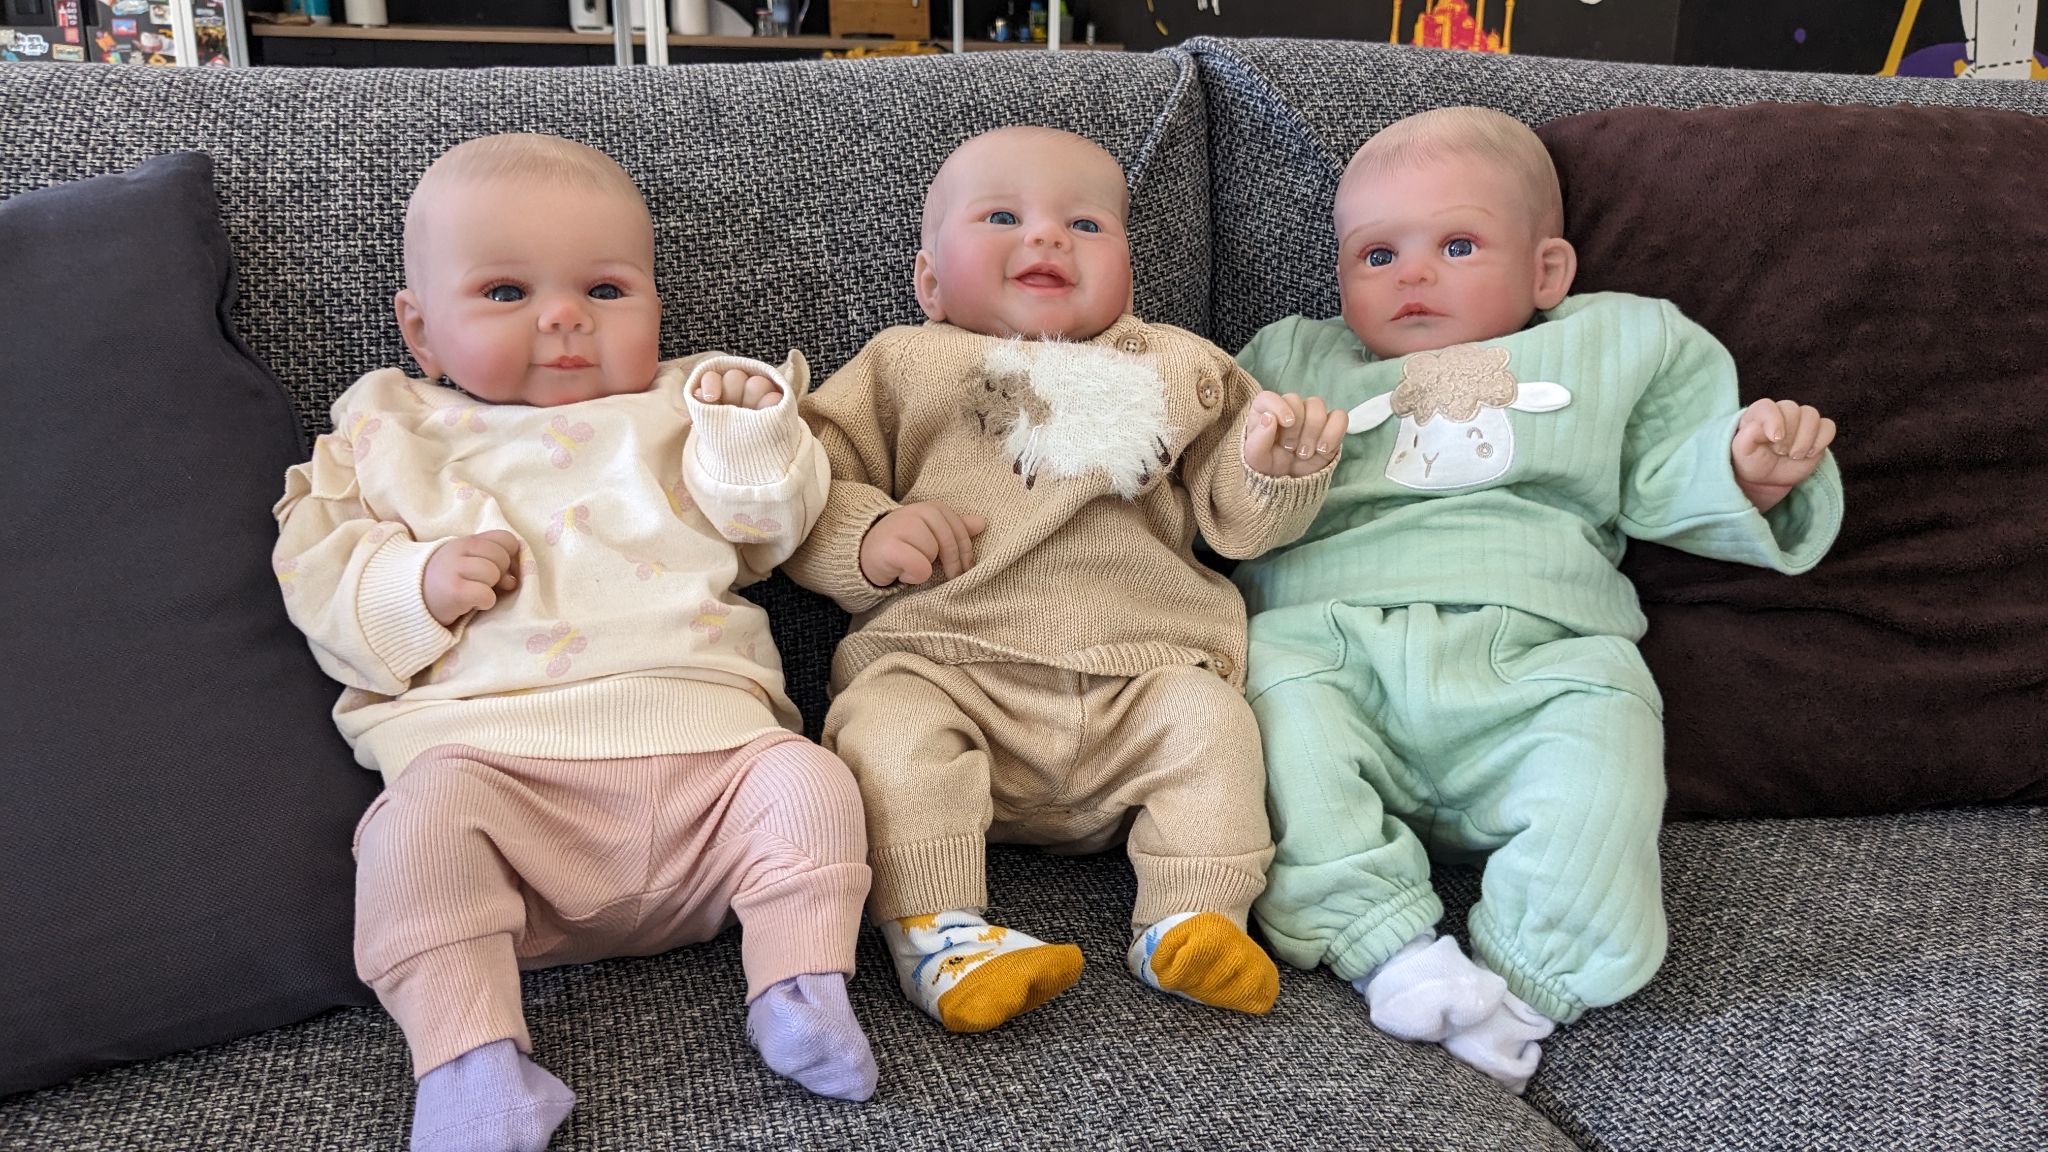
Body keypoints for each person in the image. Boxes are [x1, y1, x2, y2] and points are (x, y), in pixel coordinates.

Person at [272, 133, 875, 1152]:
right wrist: (415, 585)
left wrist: (746, 435)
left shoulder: (689, 405)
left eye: (605, 289)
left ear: (655, 307)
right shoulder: (387, 435)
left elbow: (776, 529)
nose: (564, 318)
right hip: (493, 778)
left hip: (714, 769)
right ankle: (469, 1065)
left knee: (812, 782)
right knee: (410, 839)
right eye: (506, 292)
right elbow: (316, 579)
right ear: (420, 333)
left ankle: (799, 989)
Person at [1233, 106, 1844, 1093]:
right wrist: (1262, 465)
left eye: (1456, 245)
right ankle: (1384, 944)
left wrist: (1743, 470)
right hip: (1332, 644)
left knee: (1609, 738)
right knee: (1265, 701)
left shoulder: (1620, 344)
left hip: (1544, 657)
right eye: (1377, 254)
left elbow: (1662, 473)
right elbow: (1214, 498)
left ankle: (1525, 982)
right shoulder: (1289, 362)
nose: (1412, 275)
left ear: (1547, 271)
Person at [778, 125, 1346, 1034]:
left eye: (1085, 224)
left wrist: (1275, 471)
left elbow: (1237, 524)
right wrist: (868, 533)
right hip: (948, 669)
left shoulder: (1182, 366)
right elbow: (799, 488)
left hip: (1142, 681)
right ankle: (942, 932)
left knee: (1213, 726)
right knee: (886, 729)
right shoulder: (901, 364)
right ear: (930, 282)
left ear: (1129, 271)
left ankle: (1193, 918)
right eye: (1002, 217)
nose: (1047, 236)